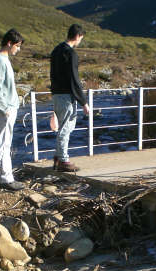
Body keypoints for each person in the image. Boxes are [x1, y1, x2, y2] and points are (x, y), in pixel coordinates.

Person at [0, 29, 24, 190]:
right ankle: (5, 179)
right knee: (3, 143)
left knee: (5, 142)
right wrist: (3, 108)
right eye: (17, 46)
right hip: (4, 109)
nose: (18, 49)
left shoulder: (3, 59)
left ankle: (6, 177)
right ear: (9, 43)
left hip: (7, 107)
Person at [50, 24, 90, 172]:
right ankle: (63, 160)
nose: (80, 41)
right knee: (66, 127)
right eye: (81, 38)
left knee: (63, 126)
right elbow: (74, 79)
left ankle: (58, 157)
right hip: (66, 95)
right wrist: (83, 102)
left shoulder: (56, 50)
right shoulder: (71, 53)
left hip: (56, 94)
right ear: (78, 36)